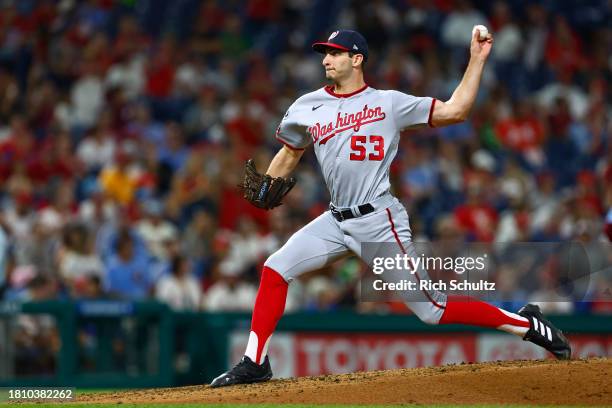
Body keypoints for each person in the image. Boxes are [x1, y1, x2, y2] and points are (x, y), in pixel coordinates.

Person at [210, 29, 571, 387]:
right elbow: (291, 151)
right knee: (275, 268)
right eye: (325, 53)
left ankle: (526, 323)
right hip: (336, 219)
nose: (326, 59)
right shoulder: (307, 105)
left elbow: (456, 110)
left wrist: (476, 59)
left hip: (378, 221)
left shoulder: (389, 103)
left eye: (335, 53)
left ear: (357, 59)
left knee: (432, 309)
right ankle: (254, 362)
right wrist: (268, 183)